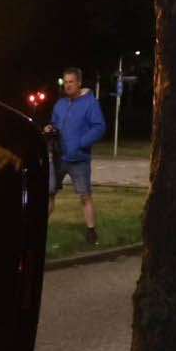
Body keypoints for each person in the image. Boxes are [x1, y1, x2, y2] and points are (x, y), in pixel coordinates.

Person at [44, 66, 106, 244]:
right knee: (49, 193)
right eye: (66, 82)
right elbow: (54, 122)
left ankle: (91, 231)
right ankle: (39, 228)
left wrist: (81, 143)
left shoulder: (90, 103)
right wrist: (50, 128)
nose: (68, 86)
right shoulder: (60, 103)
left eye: (72, 82)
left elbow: (99, 127)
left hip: (79, 159)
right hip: (58, 156)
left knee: (85, 195)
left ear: (79, 82)